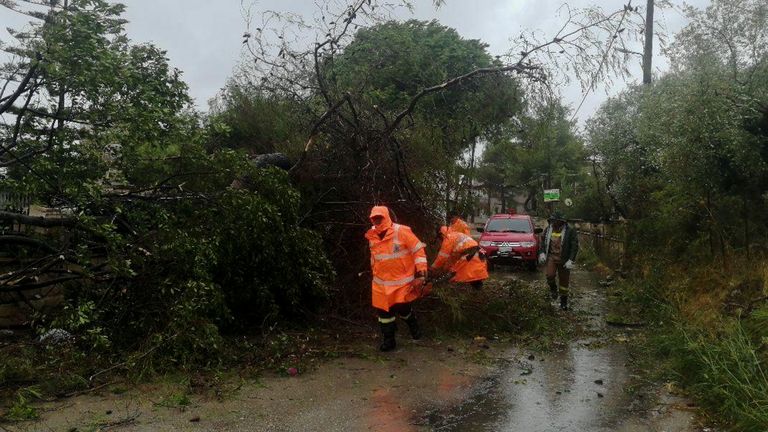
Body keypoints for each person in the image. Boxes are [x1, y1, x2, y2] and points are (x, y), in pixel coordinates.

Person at [365, 206, 428, 352]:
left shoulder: (402, 231)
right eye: (374, 218)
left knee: (403, 309)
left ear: (386, 217)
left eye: (379, 217)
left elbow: (418, 250)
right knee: (384, 314)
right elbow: (375, 258)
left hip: (402, 283)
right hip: (380, 284)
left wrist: (420, 274)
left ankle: (414, 328)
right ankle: (389, 340)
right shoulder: (372, 236)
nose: (376, 221)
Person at [538, 211, 579, 310]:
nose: (554, 223)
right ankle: (553, 289)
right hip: (552, 257)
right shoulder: (548, 230)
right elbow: (542, 241)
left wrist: (571, 260)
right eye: (552, 221)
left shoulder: (570, 231)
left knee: (564, 282)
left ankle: (563, 302)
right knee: (550, 275)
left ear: (561, 221)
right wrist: (542, 253)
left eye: (555, 221)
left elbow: (574, 246)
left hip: (564, 259)